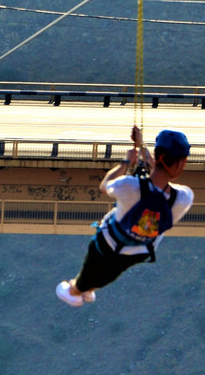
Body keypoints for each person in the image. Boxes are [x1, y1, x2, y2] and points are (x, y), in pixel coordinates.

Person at [56, 124, 194, 306]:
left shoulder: (128, 186)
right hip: (140, 251)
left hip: (107, 243)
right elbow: (160, 179)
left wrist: (126, 162)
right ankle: (89, 289)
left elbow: (105, 186)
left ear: (159, 156)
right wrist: (142, 148)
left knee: (83, 280)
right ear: (181, 163)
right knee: (112, 271)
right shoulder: (184, 198)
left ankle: (75, 292)